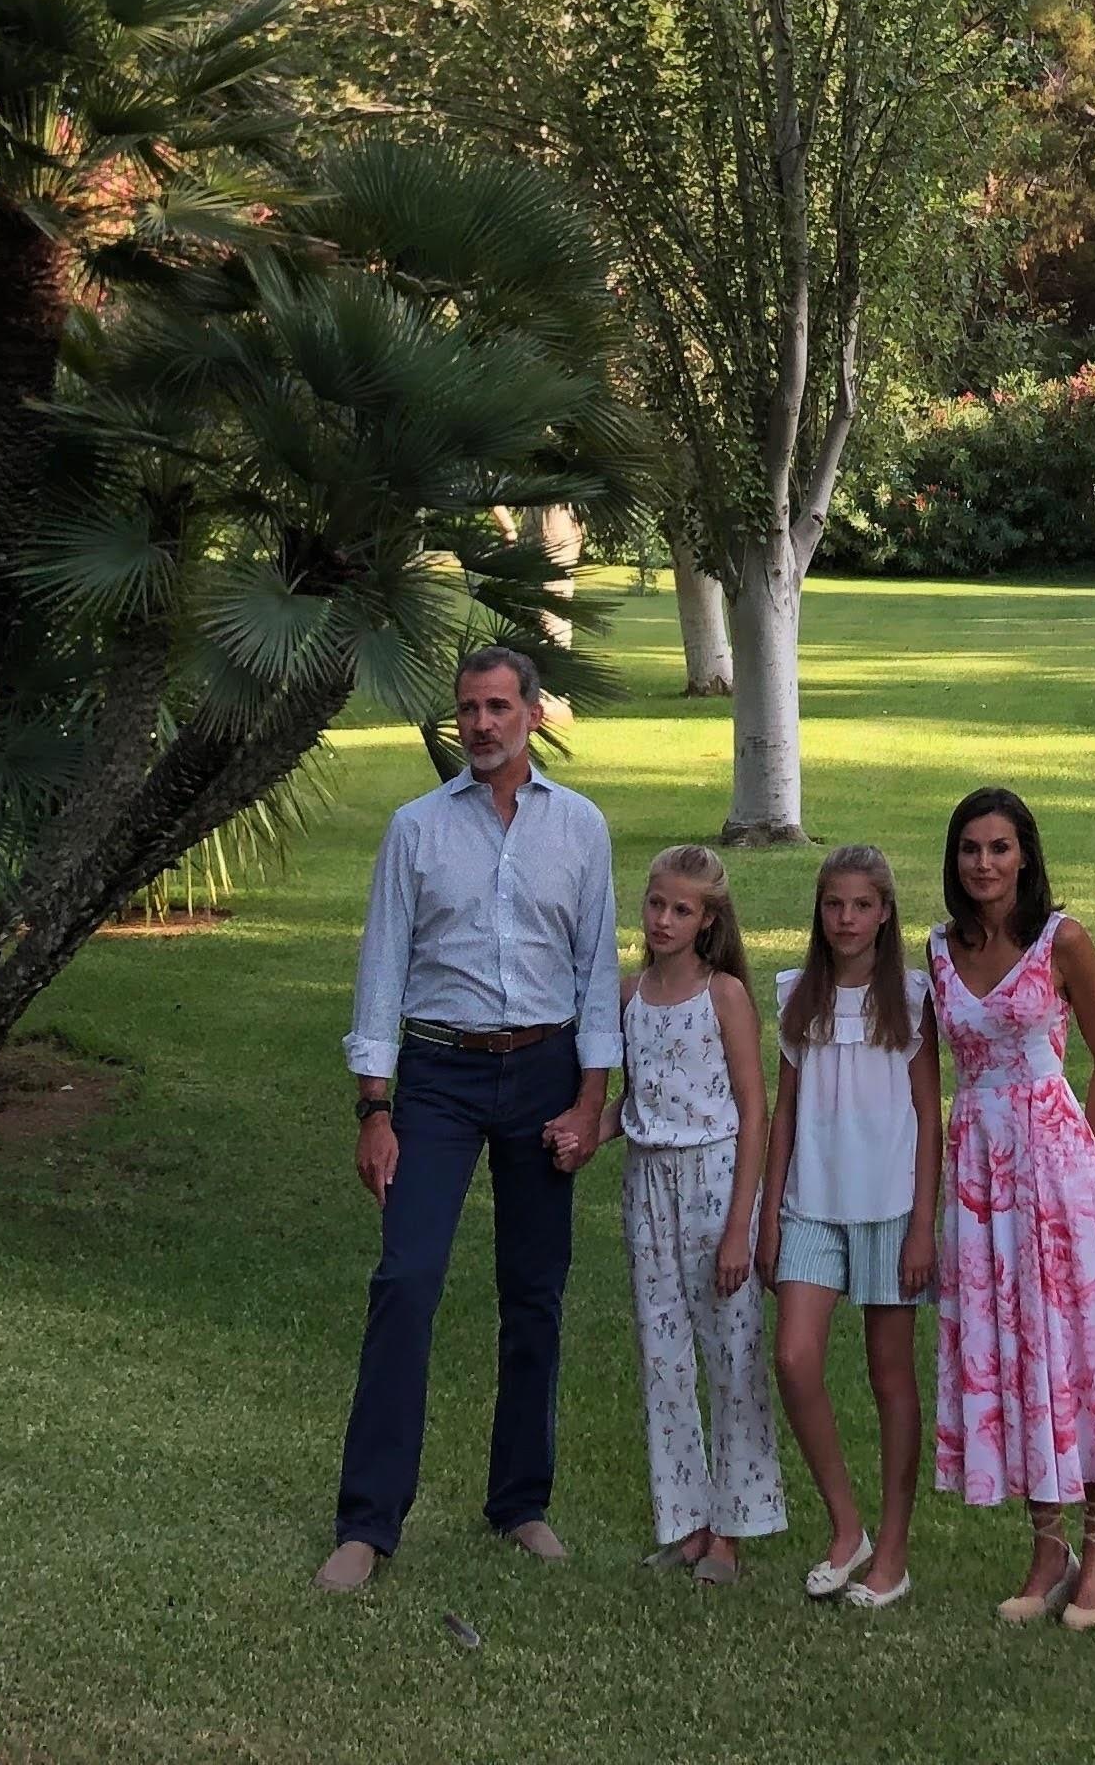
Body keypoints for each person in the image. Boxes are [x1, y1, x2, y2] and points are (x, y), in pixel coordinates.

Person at [317, 647, 618, 1593]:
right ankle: (367, 1523)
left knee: (535, 1293)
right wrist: (375, 1105)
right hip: (439, 1076)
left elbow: (597, 974)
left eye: (497, 708)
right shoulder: (415, 829)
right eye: (467, 711)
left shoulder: (581, 829)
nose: (480, 725)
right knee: (405, 1281)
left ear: (533, 713)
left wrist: (590, 1100)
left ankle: (520, 1503)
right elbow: (381, 969)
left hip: (544, 1070)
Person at [929, 785, 1095, 1631]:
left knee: (1075, 1355)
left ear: (1025, 854)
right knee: (1012, 1353)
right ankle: (1047, 1546)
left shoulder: (1064, 941)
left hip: (1059, 1177)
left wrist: (1082, 1161)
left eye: (999, 847)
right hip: (980, 1181)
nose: (984, 863)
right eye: (969, 849)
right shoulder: (937, 951)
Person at [762, 843, 940, 1610]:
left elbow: (931, 1117)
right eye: (833, 904)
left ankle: (892, 1553)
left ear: (885, 913)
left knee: (889, 1377)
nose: (845, 919)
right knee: (795, 1359)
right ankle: (848, 1528)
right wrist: (769, 1215)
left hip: (890, 1208)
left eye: (861, 905)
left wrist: (924, 1226)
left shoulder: (913, 999)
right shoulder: (797, 995)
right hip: (812, 1204)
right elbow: (784, 1113)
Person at [603, 844, 785, 1583]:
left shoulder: (724, 997)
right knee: (662, 1353)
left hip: (715, 1182)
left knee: (732, 1355)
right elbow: (641, 1098)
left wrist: (740, 1224)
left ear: (708, 919)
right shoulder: (628, 996)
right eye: (656, 904)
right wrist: (589, 1128)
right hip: (648, 1186)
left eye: (682, 909)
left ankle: (736, 1528)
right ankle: (687, 1521)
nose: (665, 920)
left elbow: (753, 1108)